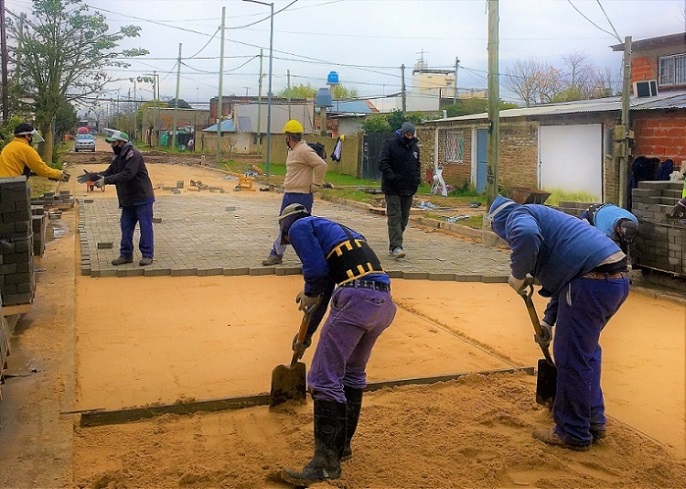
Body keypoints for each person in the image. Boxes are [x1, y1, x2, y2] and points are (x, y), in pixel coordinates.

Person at [487, 195, 630, 451]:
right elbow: (567, 277)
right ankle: (593, 420)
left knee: (571, 359)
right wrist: (548, 323)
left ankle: (573, 431)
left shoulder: (518, 216)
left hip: (589, 283)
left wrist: (518, 274)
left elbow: (526, 235)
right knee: (585, 354)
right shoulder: (551, 222)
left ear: (498, 223)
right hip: (613, 283)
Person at [278, 203, 396, 486]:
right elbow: (326, 289)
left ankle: (325, 464)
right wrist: (306, 337)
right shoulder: (341, 234)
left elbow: (316, 275)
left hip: (355, 298)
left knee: (322, 376)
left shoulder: (298, 227)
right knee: (352, 373)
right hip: (382, 301)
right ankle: (341, 448)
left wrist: (309, 291)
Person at [77, 130, 155, 267]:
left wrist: (105, 181)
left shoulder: (133, 155)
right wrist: (93, 176)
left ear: (122, 143)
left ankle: (147, 255)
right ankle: (126, 255)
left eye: (114, 143)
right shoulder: (117, 158)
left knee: (145, 227)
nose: (112, 145)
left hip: (142, 198)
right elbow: (108, 173)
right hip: (128, 200)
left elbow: (127, 174)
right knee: (126, 227)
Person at [261, 119, 327, 266]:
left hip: (301, 196)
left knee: (301, 229)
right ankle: (277, 254)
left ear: (289, 137)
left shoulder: (304, 150)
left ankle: (311, 259)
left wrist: (316, 184)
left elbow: (321, 165)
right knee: (284, 226)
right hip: (290, 194)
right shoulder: (293, 151)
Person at [378, 121, 421, 258]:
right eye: (407, 134)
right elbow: (383, 163)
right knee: (394, 217)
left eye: (411, 134)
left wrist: (416, 180)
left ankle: (394, 243)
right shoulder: (390, 144)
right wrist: (392, 177)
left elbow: (417, 165)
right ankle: (396, 246)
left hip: (408, 188)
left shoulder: (415, 149)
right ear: (402, 133)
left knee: (404, 218)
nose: (409, 137)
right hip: (393, 188)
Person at [0, 123, 69, 181]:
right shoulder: (26, 149)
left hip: (4, 183)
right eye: (31, 136)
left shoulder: (9, 147)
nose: (32, 139)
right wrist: (58, 174)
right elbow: (41, 169)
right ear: (27, 136)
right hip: (12, 186)